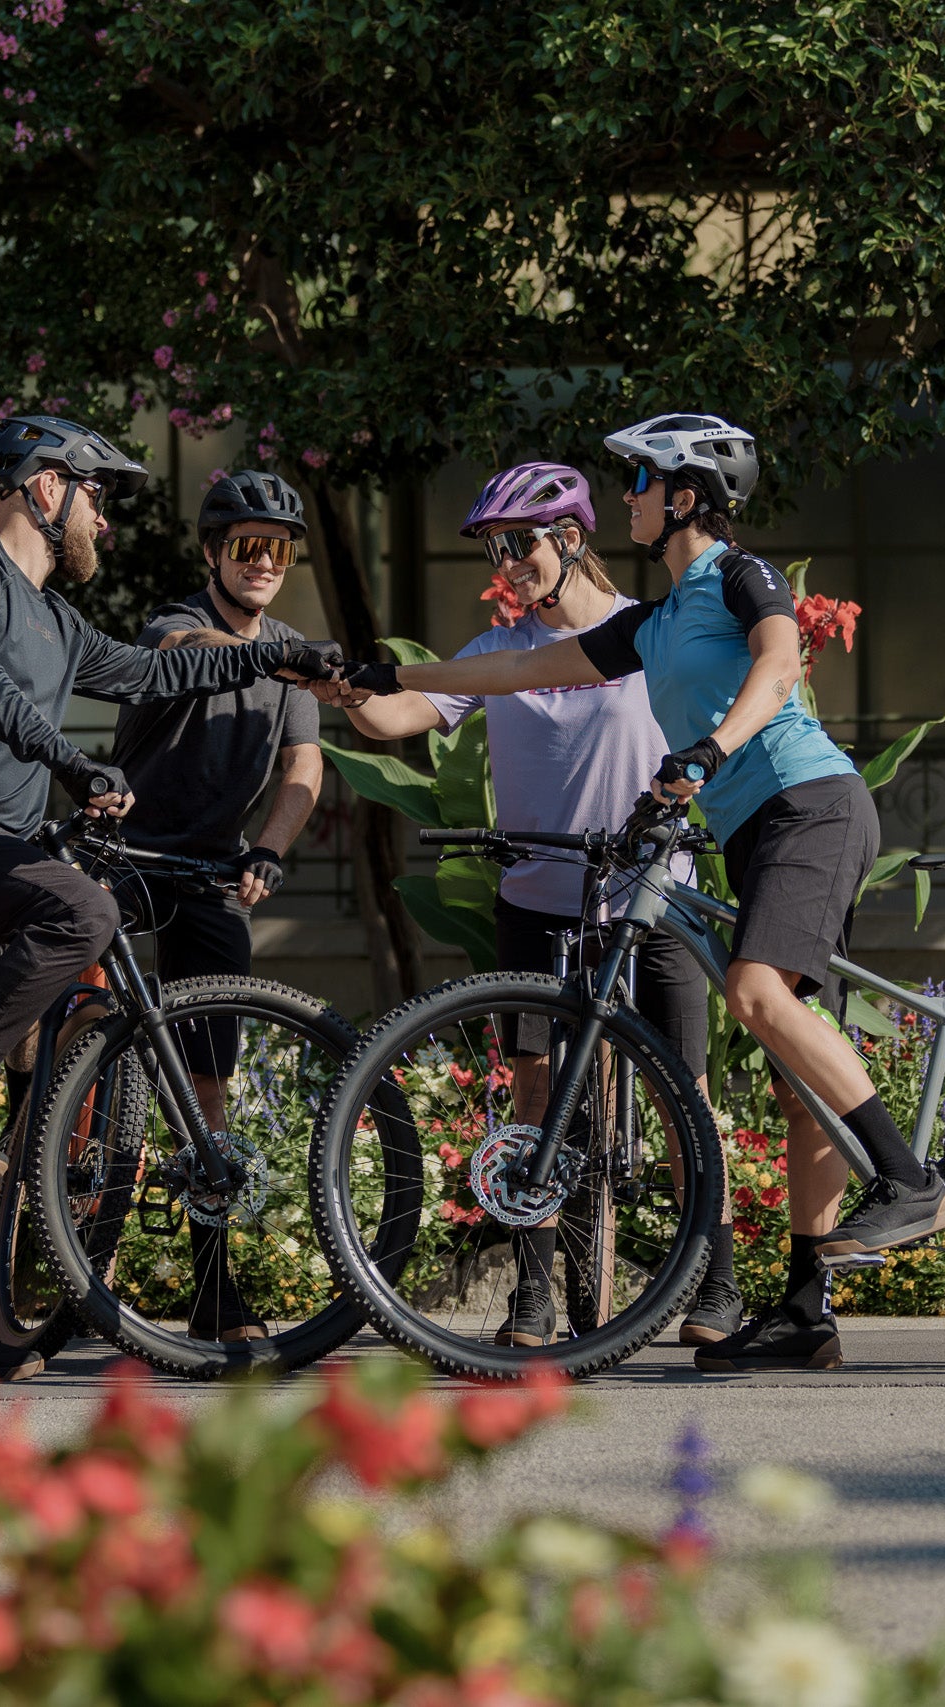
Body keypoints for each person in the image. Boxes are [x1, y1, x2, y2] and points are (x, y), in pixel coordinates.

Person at [334, 413, 945, 1374]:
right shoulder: (652, 626)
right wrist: (389, 672)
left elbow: (781, 661)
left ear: (687, 495)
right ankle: (802, 1312)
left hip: (811, 803)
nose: (627, 497)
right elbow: (513, 667)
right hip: (751, 827)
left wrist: (706, 749)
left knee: (752, 997)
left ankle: (911, 1179)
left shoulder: (741, 575)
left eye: (640, 482)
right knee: (796, 1076)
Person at [0, 415, 342, 1374]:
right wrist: (69, 760)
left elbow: (158, 669)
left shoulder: (62, 622)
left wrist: (277, 657)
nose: (105, 523)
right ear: (44, 489)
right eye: (97, 497)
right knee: (83, 908)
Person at [329, 461, 740, 1348]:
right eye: (494, 549)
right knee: (535, 1093)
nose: (507, 565)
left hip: (652, 896)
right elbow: (393, 720)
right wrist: (345, 686)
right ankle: (535, 1293)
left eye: (519, 545)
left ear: (570, 539)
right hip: (539, 901)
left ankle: (716, 1279)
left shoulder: (644, 636)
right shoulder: (493, 655)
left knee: (686, 1090)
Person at [103, 469, 325, 1341]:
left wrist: (269, 847)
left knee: (208, 1085)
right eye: (246, 546)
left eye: (278, 548)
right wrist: (267, 654)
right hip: (126, 856)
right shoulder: (176, 620)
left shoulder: (293, 648)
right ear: (214, 554)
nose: (264, 560)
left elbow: (304, 770)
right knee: (89, 1050)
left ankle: (212, 1293)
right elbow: (178, 650)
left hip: (211, 868)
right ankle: (74, 1253)